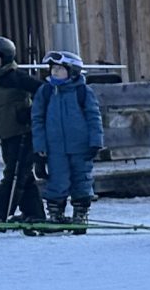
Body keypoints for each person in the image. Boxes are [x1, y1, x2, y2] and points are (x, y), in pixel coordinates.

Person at [30, 51, 105, 224]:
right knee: (57, 181)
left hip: (81, 147)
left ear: (72, 71)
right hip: (55, 148)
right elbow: (37, 119)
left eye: (60, 69)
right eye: (53, 68)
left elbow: (94, 117)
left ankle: (80, 213)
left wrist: (96, 142)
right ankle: (55, 213)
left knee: (82, 180)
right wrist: (39, 147)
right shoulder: (46, 92)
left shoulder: (83, 92)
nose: (55, 72)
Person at [0, 35, 49, 222]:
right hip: (7, 133)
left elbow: (44, 90)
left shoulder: (13, 76)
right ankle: (34, 213)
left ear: (5, 58)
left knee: (15, 174)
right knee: (24, 175)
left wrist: (31, 112)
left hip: (23, 133)